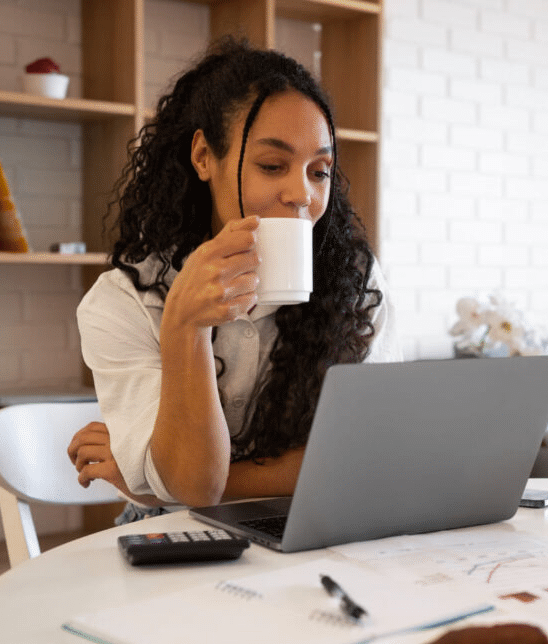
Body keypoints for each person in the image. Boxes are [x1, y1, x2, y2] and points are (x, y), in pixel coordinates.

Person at [67, 36, 400, 517]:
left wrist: (154, 484)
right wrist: (185, 324)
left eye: (319, 170)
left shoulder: (354, 284)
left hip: (308, 523)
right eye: (272, 165)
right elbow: (196, 485)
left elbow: (370, 459)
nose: (301, 194)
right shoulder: (124, 302)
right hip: (175, 542)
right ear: (204, 157)